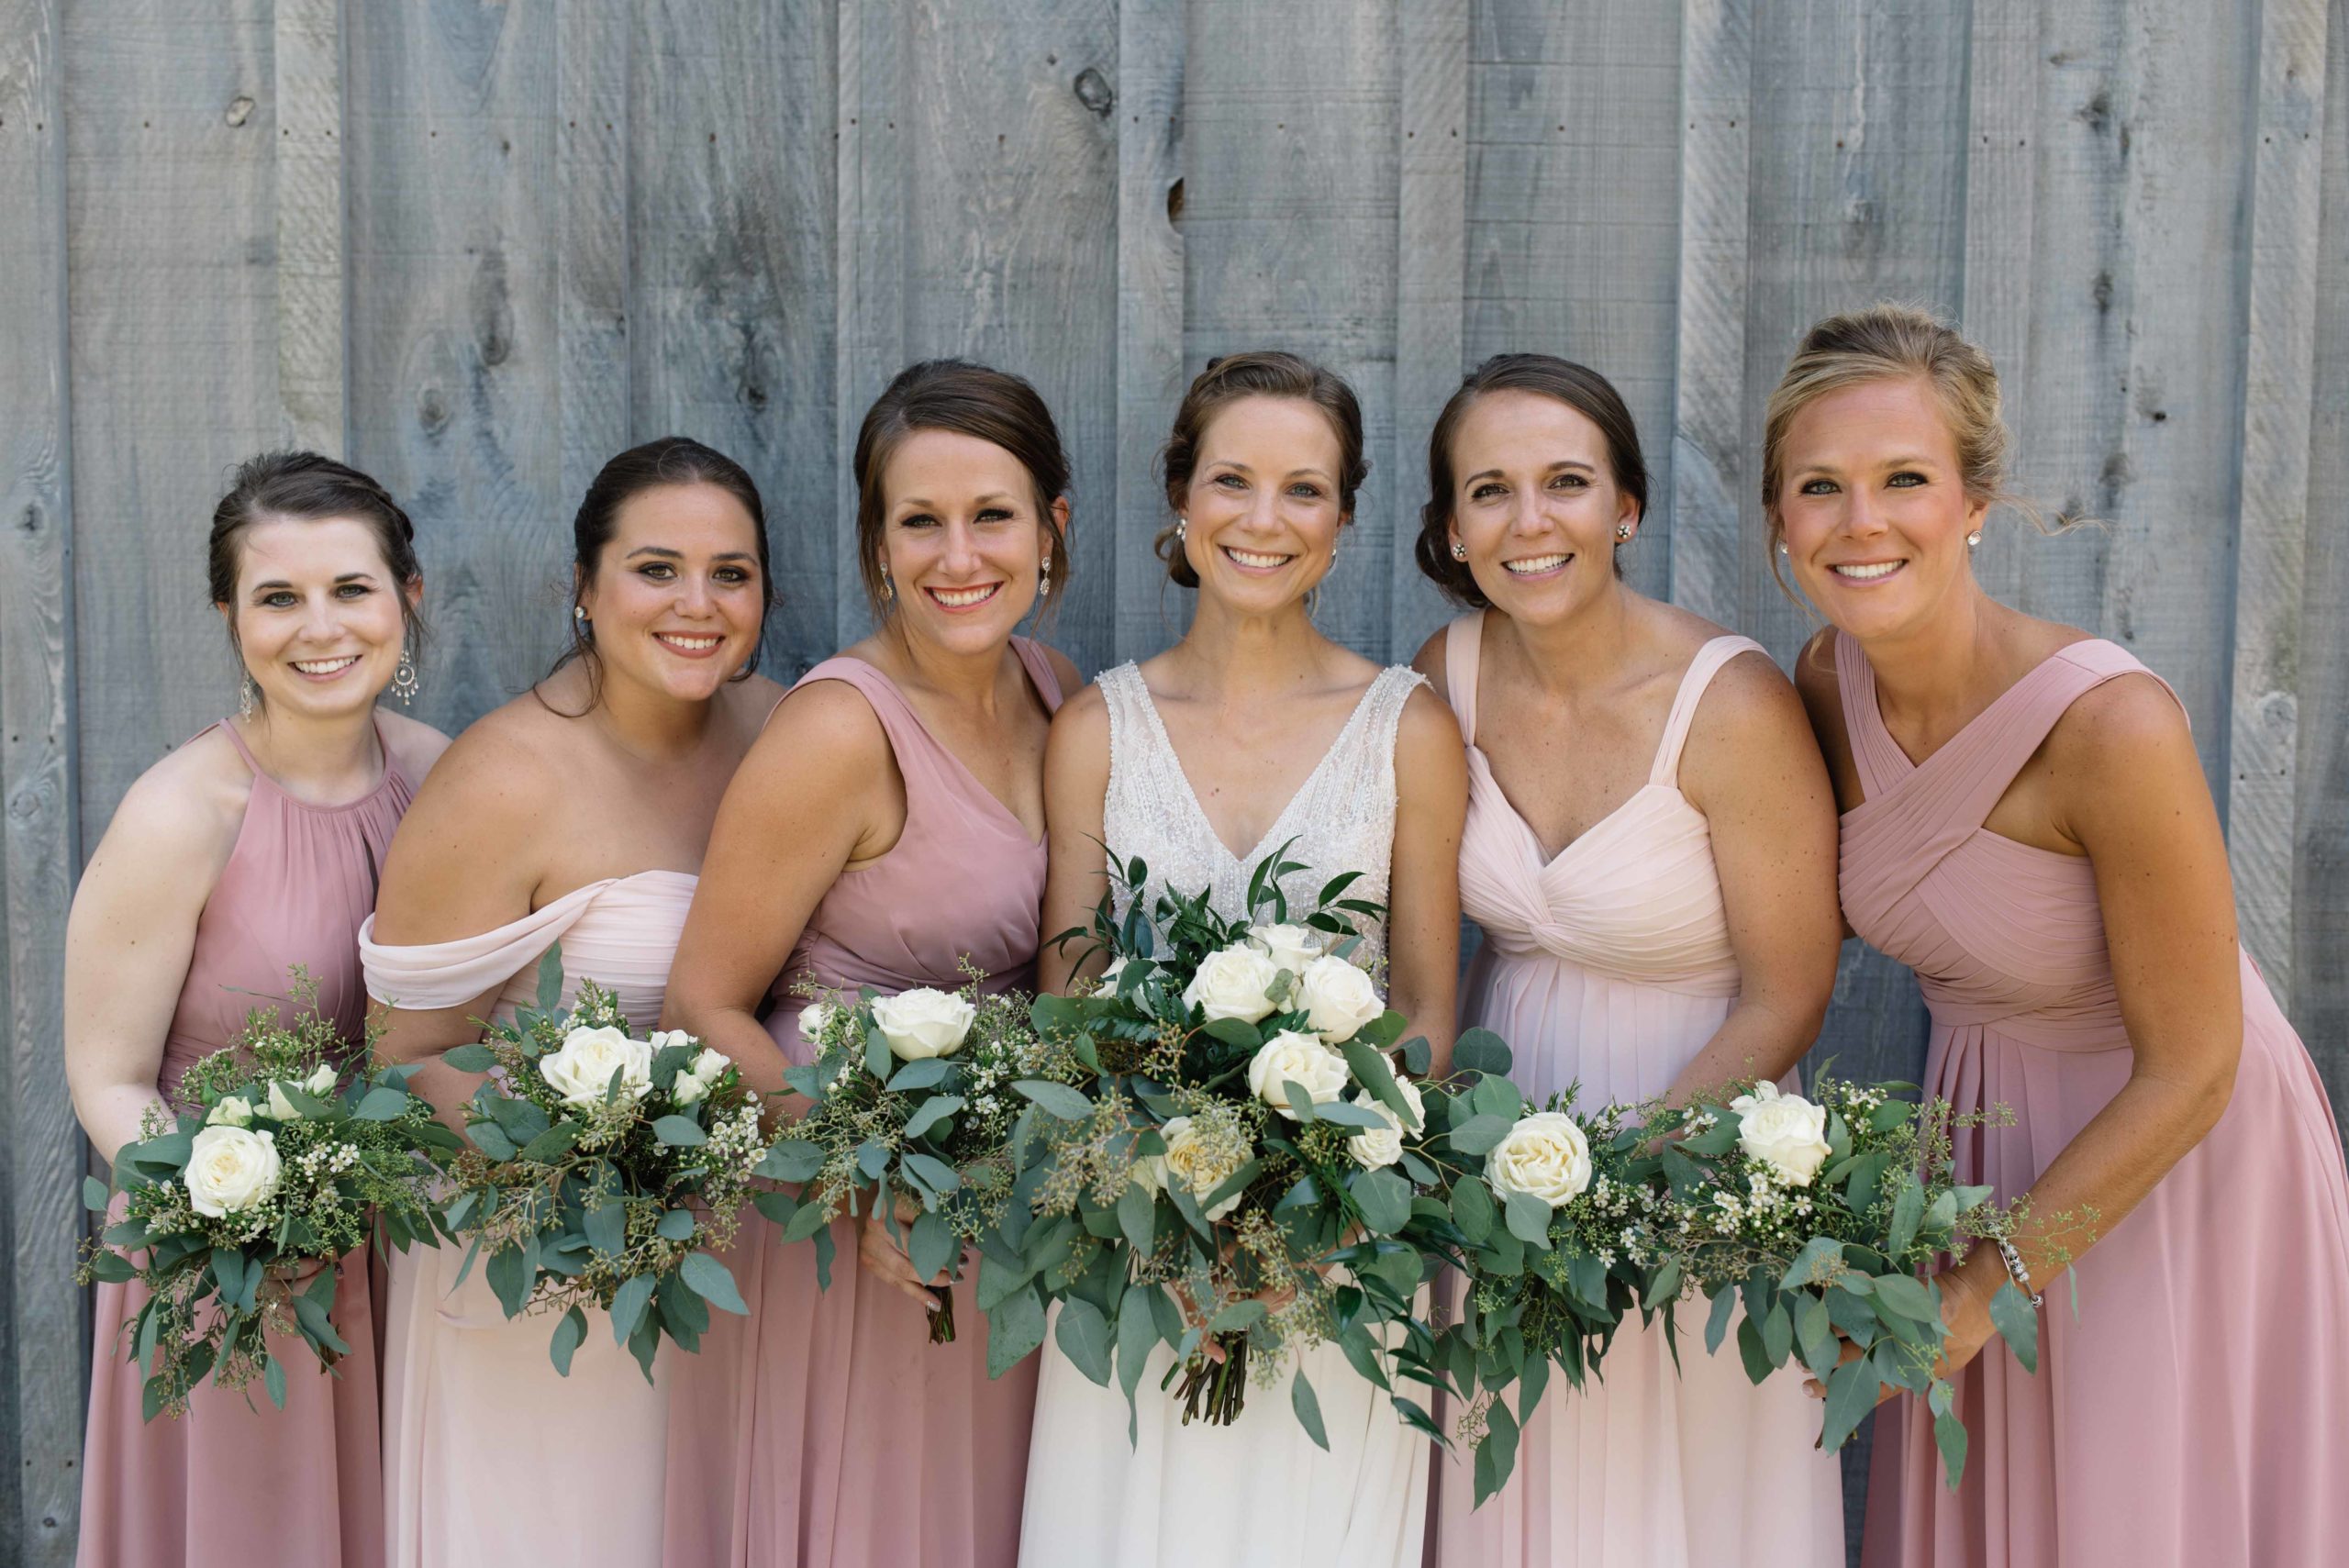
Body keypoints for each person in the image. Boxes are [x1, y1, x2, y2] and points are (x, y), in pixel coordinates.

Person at [1765, 304, 2349, 1567]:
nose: (1861, 521)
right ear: (1781, 522)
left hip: (2174, 1149)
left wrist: (1983, 1286)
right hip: (1977, 1132)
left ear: (1975, 501)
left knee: (2138, 1514)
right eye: (1822, 487)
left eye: (1903, 480)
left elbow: (2197, 1063)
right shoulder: (1825, 682)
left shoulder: (2109, 725)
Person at [1017, 350, 1467, 1568]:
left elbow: (1424, 1005)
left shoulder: (1407, 727)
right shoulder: (1095, 725)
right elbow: (1069, 995)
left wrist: (1305, 1198)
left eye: (1303, 490)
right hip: (1135, 1242)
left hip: (1338, 1252)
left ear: (1344, 518)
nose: (1263, 520)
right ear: (1181, 495)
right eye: (1232, 480)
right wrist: (1167, 1198)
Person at [1410, 353, 1845, 1565]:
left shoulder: (1731, 701)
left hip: (1702, 1135)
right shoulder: (1435, 685)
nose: (1530, 520)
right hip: (1500, 1147)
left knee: (1692, 1493)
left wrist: (1618, 1187)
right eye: (1489, 491)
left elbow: (1791, 990)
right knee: (1515, 1476)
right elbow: (1418, 960)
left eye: (1566, 482)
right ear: (1452, 525)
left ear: (1627, 506)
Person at [659, 360, 1080, 1568]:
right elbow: (704, 998)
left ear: (1051, 528)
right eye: (919, 521)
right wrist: (861, 1177)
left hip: (992, 1195)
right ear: (876, 543)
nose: (959, 556)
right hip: (844, 1215)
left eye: (993, 516)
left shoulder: (1054, 694)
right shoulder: (840, 729)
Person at [359, 438, 779, 1568]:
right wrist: (599, 1171)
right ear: (584, 588)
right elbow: (399, 1057)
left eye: (731, 574)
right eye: (656, 568)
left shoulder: (788, 736)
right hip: (546, 1273)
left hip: (734, 1277)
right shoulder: (505, 776)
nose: (697, 604)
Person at [67, 452, 447, 1568]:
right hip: (223, 1259)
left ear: (406, 600)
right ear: (229, 613)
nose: (318, 626)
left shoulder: (445, 780)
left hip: (398, 1249)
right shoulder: (180, 811)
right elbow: (107, 1076)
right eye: (278, 596)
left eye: (351, 589)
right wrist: (238, 1218)